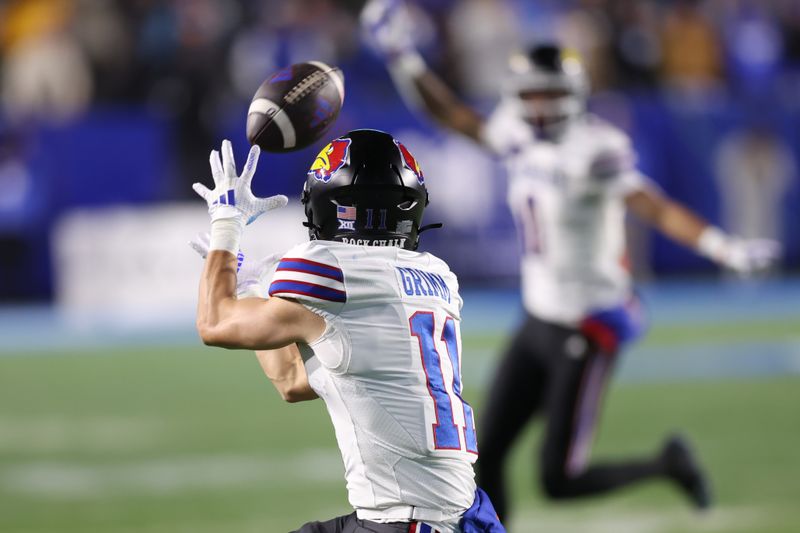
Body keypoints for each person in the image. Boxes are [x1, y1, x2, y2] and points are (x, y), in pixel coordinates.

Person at [360, 0, 782, 522]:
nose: (537, 106)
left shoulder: (595, 148)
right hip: (538, 315)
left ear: (574, 97)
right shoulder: (516, 129)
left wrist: (723, 247)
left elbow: (652, 205)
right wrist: (404, 57)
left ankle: (667, 464)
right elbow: (453, 115)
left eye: (549, 95)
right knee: (484, 455)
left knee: (557, 480)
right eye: (530, 95)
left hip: (588, 321)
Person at [192, 130, 506, 532]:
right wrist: (251, 288)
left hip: (408, 522)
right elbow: (295, 380)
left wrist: (226, 224)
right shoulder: (436, 276)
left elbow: (215, 323)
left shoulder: (328, 267)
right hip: (460, 514)